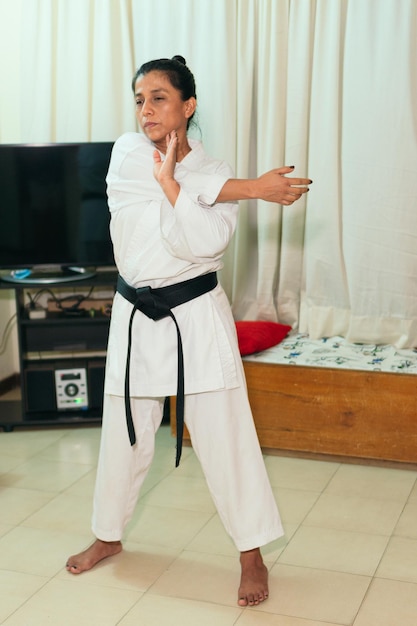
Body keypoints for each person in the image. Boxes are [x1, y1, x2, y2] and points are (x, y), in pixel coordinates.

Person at [66, 55, 312, 607]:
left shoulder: (212, 168)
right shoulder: (128, 153)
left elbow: (201, 244)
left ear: (187, 106)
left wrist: (184, 184)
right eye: (139, 99)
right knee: (123, 434)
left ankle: (253, 555)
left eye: (158, 97)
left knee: (226, 438)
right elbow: (174, 193)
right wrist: (248, 188)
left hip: (194, 315)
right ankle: (107, 535)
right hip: (134, 315)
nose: (146, 109)